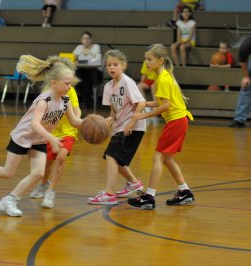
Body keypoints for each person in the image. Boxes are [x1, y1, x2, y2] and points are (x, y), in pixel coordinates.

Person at [0, 54, 83, 217]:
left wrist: (94, 123)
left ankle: (10, 199)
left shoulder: (65, 100)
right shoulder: (44, 100)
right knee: (8, 173)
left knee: (39, 173)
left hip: (39, 139)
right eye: (67, 83)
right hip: (23, 137)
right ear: (54, 83)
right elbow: (35, 124)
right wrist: (51, 138)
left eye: (71, 83)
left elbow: (74, 121)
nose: (70, 87)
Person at [128, 43, 195, 210]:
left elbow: (165, 106)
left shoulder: (163, 79)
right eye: (145, 60)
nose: (146, 63)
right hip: (180, 120)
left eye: (149, 59)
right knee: (167, 159)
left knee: (157, 158)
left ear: (160, 60)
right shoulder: (164, 76)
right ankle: (185, 191)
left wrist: (143, 115)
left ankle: (149, 197)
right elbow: (162, 102)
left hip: (176, 120)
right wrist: (146, 103)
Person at [88, 50, 146, 205]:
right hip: (120, 126)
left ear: (123, 66)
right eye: (108, 65)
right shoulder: (108, 86)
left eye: (115, 64)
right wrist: (110, 119)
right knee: (117, 159)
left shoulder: (127, 82)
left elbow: (141, 103)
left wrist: (131, 123)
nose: (111, 67)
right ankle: (134, 183)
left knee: (111, 156)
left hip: (134, 126)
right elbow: (113, 110)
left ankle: (109, 194)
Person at [29, 57, 81, 208]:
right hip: (51, 132)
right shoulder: (46, 93)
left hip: (67, 131)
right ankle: (44, 184)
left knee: (61, 157)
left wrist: (78, 120)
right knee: (47, 163)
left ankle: (50, 193)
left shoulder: (68, 91)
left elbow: (76, 109)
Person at [73, 31, 103, 108]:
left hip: (95, 71)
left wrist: (82, 61)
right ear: (81, 40)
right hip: (82, 71)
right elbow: (73, 58)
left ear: (91, 39)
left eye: (88, 38)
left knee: (86, 78)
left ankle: (87, 100)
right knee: (77, 79)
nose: (86, 40)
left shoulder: (96, 47)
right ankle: (87, 99)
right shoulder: (79, 48)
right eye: (84, 38)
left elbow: (96, 60)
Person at [229, 36, 251, 128]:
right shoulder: (248, 43)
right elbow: (242, 59)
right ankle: (239, 120)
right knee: (246, 87)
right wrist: (246, 77)